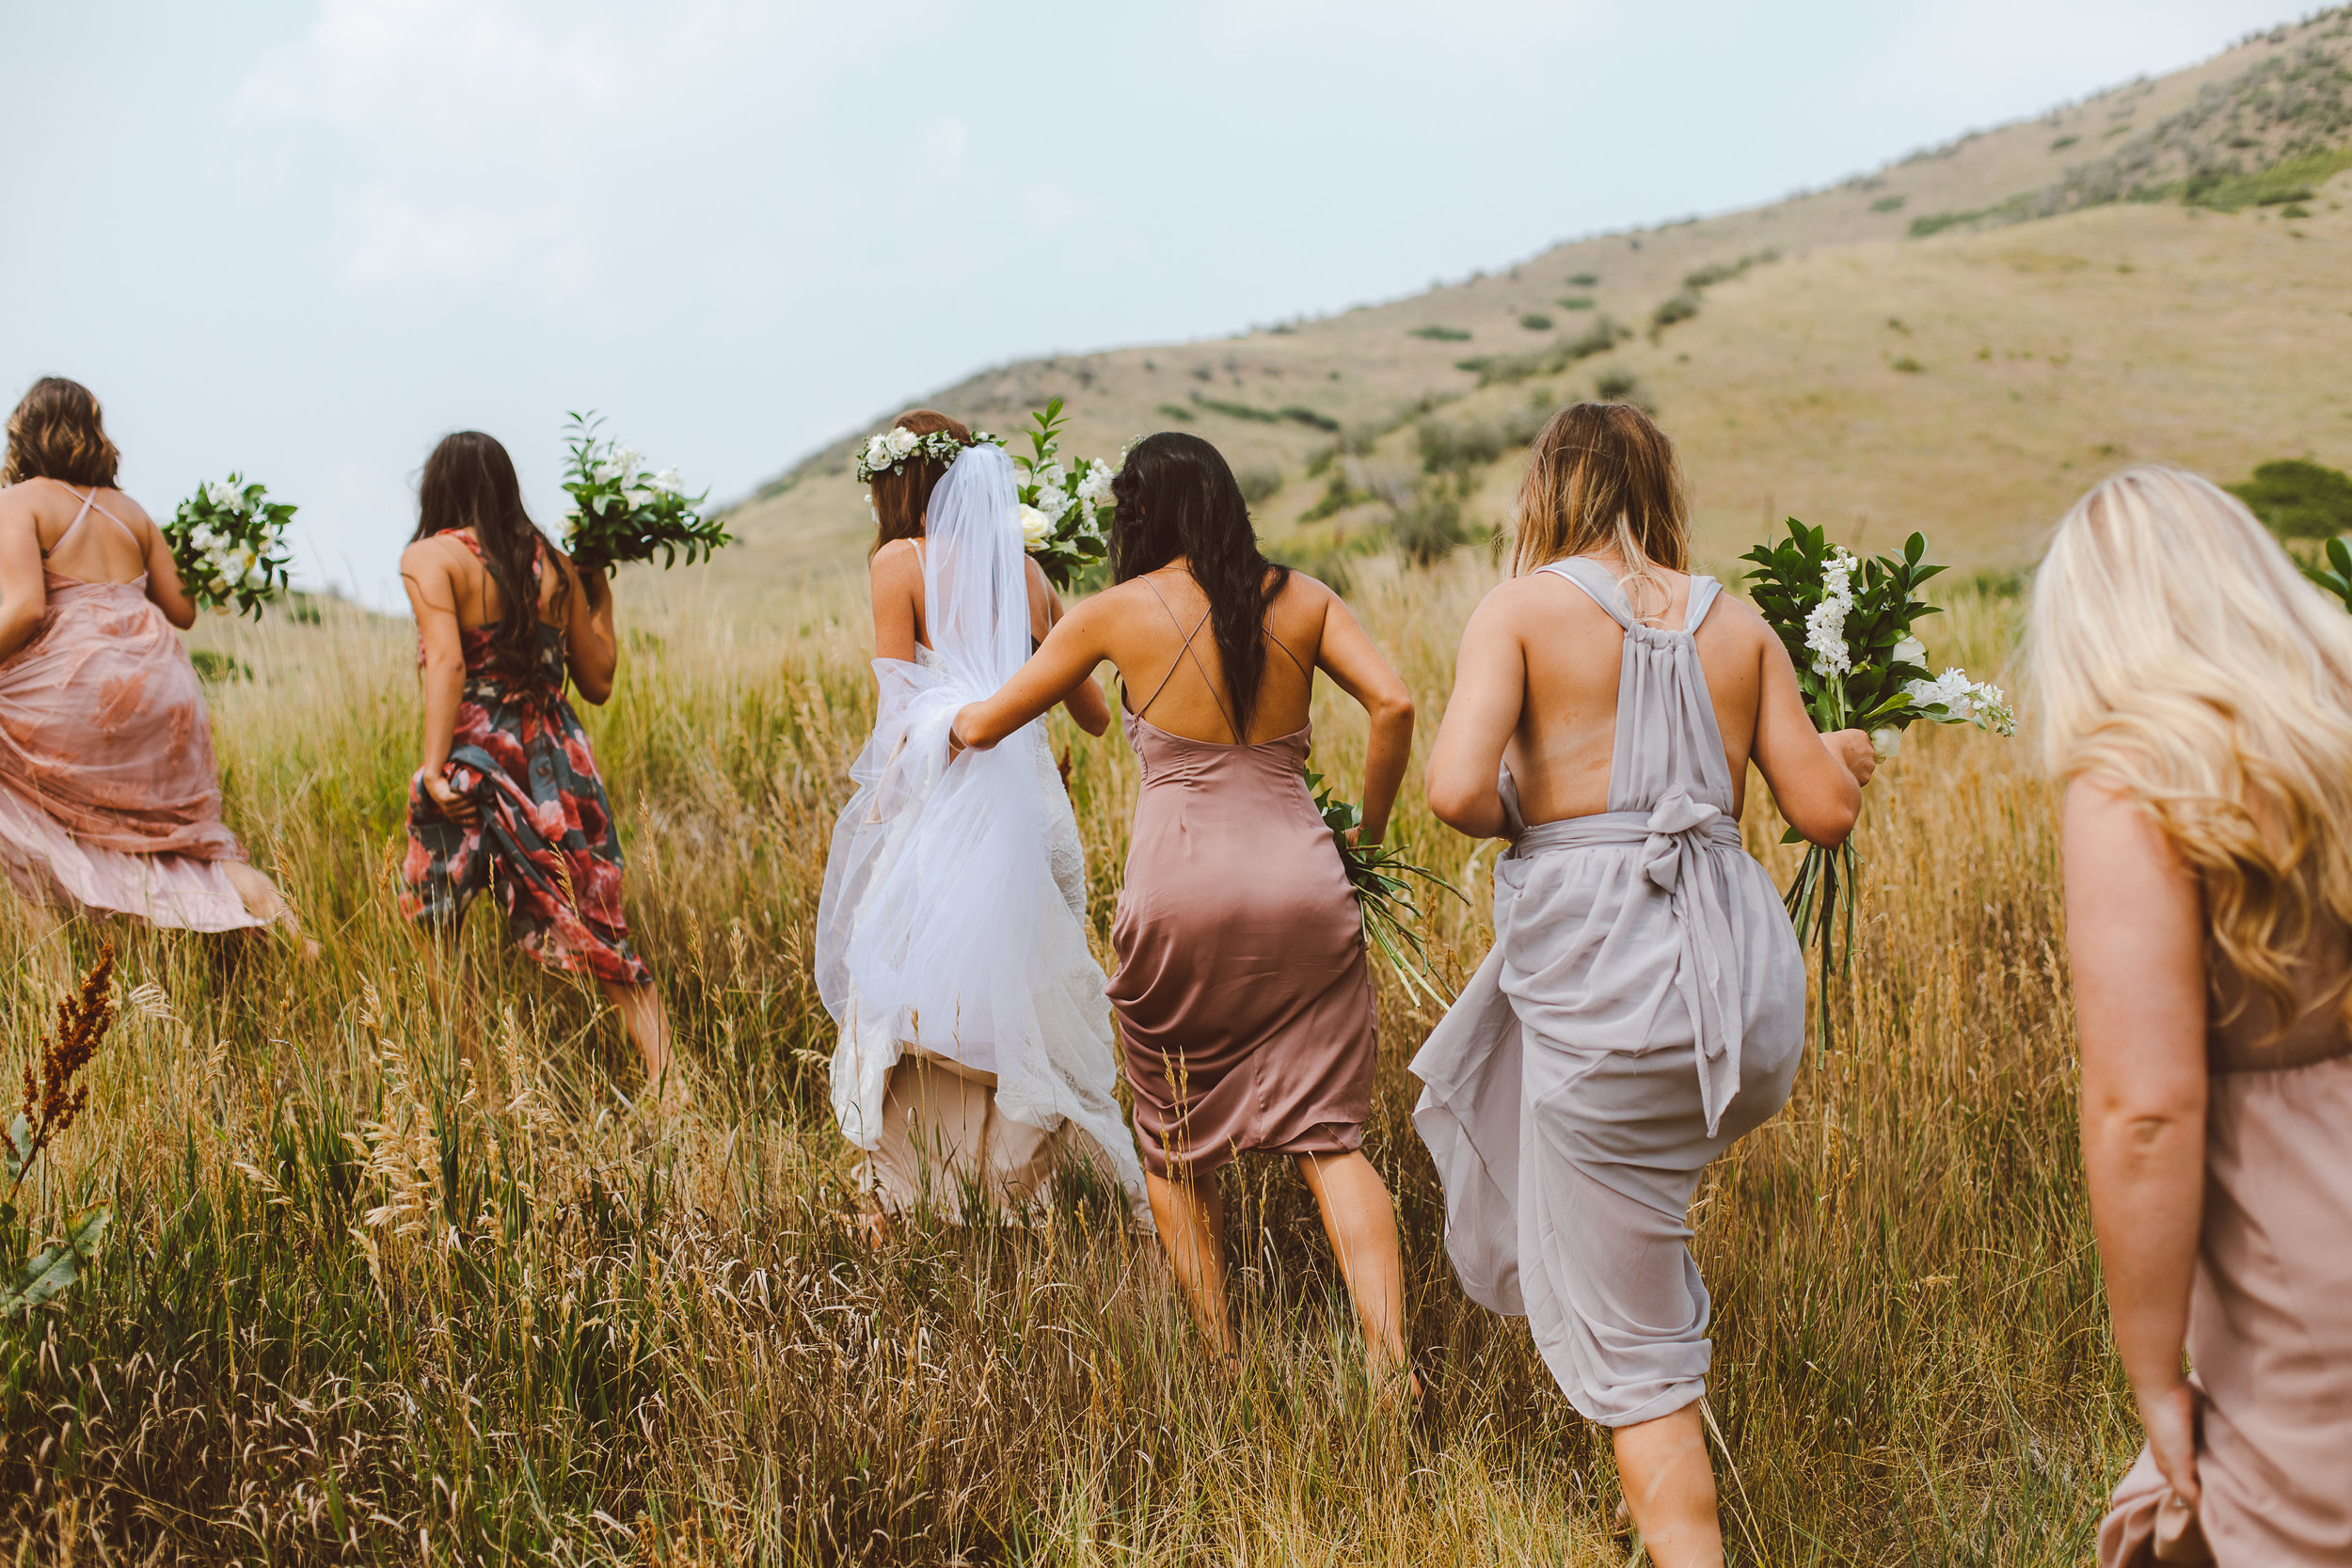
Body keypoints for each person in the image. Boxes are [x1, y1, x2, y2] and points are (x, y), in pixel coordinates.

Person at [1411, 403, 1874, 1566]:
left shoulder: (1518, 610)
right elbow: (1822, 809)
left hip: (1608, 994)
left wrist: (1545, 816)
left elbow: (1452, 788)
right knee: (1634, 1219)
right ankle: (1636, 1500)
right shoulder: (1741, 620)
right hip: (1735, 1007)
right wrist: (1842, 752)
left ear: (1547, 491)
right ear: (1658, 488)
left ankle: (1679, 1535)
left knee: (1637, 1350)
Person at [950, 430, 1419, 1386]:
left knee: (1170, 1138)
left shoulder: (1111, 613)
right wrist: (1362, 839)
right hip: (1302, 885)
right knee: (1329, 1137)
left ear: (1139, 515)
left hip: (1180, 894)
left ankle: (1223, 1358)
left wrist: (949, 699)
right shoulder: (1304, 597)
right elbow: (1396, 705)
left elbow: (984, 723)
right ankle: (1388, 1366)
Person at [2034, 467, 2352, 1566]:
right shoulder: (2335, 730)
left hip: (2305, 1252)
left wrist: (2150, 1366)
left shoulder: (2135, 778)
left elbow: (2146, 1107)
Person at [815, 410, 1149, 1229]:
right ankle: (1029, 1191)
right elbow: (1097, 714)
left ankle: (928, 1185)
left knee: (934, 993)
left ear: (901, 482)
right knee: (1034, 987)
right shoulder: (1030, 575)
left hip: (951, 792)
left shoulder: (900, 563)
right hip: (1034, 801)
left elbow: (899, 709)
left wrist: (888, 801)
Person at [397, 431, 670, 1083]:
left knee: (431, 909)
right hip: (557, 758)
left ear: (438, 487)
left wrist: (434, 770)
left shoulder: (430, 557)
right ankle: (668, 1081)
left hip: (479, 754)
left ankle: (456, 1062)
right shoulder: (554, 562)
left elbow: (448, 661)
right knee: (594, 919)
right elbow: (598, 682)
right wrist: (599, 591)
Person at [0, 376, 296, 933]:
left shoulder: (18, 503)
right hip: (165, 693)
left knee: (30, 814)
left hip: (77, 690)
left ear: (25, 435)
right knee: (190, 842)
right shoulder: (133, 513)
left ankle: (59, 973)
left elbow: (22, 610)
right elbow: (182, 611)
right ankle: (292, 936)